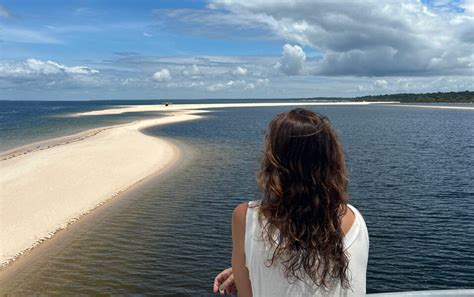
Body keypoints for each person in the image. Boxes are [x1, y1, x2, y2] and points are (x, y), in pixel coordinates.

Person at [213, 108, 369, 296]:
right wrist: (250, 268)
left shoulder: (246, 217)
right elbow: (313, 262)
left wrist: (247, 270)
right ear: (330, 160)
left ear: (273, 163)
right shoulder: (355, 219)